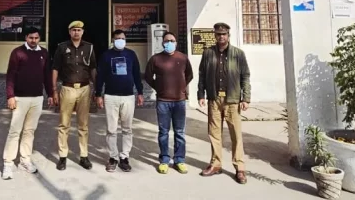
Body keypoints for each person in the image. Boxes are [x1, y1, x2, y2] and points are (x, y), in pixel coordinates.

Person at [198, 22, 251, 185]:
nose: (221, 37)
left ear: (228, 35)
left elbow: (245, 76)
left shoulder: (238, 54)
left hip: (232, 100)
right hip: (214, 99)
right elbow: (202, 75)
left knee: (236, 134)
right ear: (215, 36)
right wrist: (201, 94)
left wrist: (246, 98)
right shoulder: (208, 53)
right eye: (218, 34)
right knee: (214, 133)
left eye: (224, 34)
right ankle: (216, 164)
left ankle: (239, 168)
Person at [2, 27, 53, 180]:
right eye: (31, 38)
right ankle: (8, 163)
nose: (33, 40)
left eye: (36, 38)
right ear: (26, 37)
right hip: (19, 98)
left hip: (37, 98)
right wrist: (10, 96)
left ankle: (25, 160)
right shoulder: (17, 52)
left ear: (39, 38)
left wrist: (50, 94)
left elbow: (47, 76)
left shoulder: (44, 53)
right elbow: (10, 75)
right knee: (14, 131)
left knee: (29, 131)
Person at [95, 29, 144, 172]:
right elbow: (100, 76)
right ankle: (113, 157)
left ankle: (124, 157)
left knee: (127, 129)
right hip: (111, 96)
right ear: (113, 40)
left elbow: (136, 74)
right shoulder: (106, 55)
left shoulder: (131, 54)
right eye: (117, 38)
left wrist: (140, 92)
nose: (120, 40)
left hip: (128, 96)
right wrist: (98, 94)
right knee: (111, 129)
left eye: (122, 38)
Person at [144, 31, 194, 175]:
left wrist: (181, 87)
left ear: (176, 42)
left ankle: (179, 160)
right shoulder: (155, 59)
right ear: (162, 43)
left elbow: (189, 75)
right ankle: (164, 160)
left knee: (180, 132)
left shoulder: (183, 58)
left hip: (179, 101)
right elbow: (148, 76)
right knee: (163, 132)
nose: (169, 43)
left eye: (172, 40)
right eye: (167, 41)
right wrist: (159, 87)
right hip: (163, 102)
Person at [51, 20, 97, 171]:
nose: (76, 32)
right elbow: (55, 68)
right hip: (67, 88)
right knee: (64, 124)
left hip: (84, 88)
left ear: (82, 32)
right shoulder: (62, 47)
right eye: (74, 30)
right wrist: (54, 90)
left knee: (83, 125)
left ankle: (84, 156)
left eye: (79, 30)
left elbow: (93, 68)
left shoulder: (89, 47)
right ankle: (62, 156)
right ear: (69, 32)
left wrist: (97, 90)